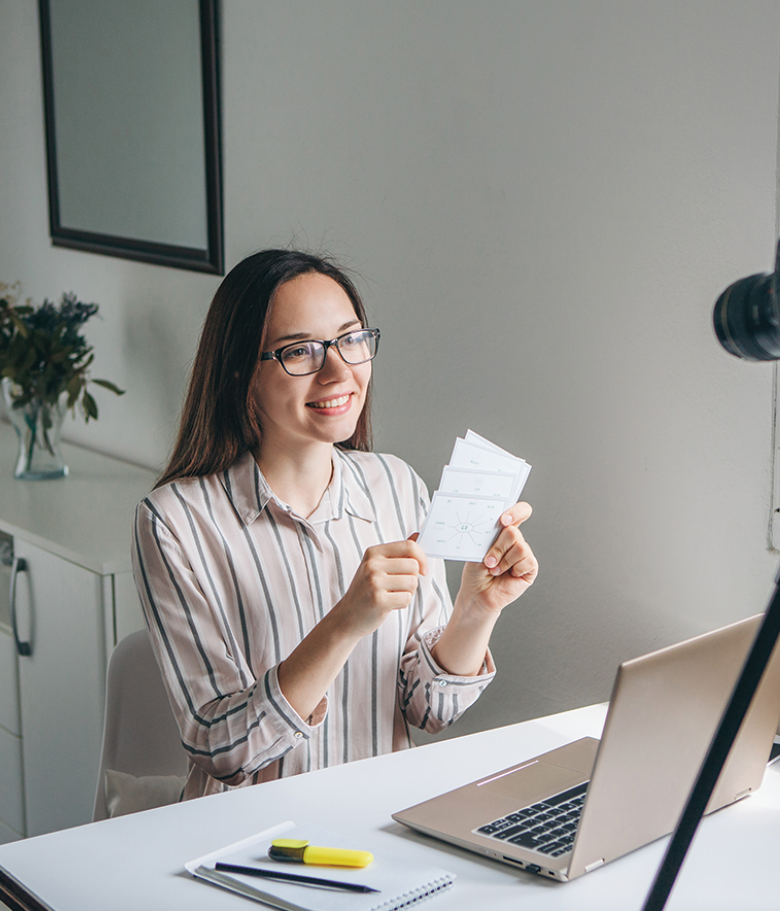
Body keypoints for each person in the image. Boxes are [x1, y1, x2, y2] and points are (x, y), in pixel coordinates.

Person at [132, 250, 537, 800]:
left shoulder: (397, 485)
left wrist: (477, 608)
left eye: (351, 339)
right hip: (247, 843)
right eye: (300, 351)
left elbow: (430, 709)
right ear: (239, 371)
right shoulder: (175, 521)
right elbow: (224, 750)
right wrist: (345, 623)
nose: (339, 372)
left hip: (378, 826)